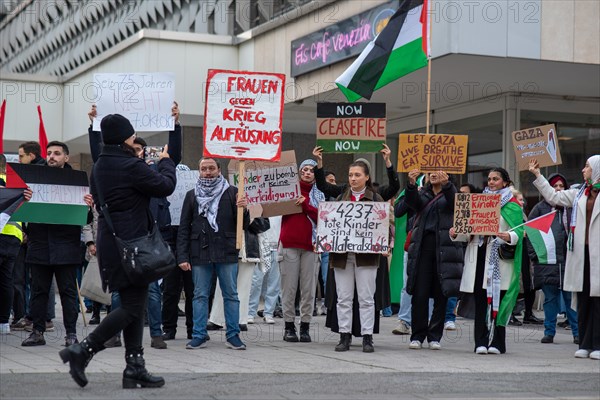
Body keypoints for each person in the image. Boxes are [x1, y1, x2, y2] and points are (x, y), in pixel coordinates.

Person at [59, 114, 176, 388]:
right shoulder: (131, 165)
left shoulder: (100, 166)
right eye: (132, 135)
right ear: (125, 137)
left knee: (134, 305)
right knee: (133, 306)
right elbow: (165, 186)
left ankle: (135, 367)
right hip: (134, 246)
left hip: (113, 244)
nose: (135, 139)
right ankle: (84, 349)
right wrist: (166, 162)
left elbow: (99, 202)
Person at [21, 141, 91, 348]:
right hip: (39, 243)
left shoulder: (78, 183)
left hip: (66, 245)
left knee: (69, 292)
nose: (52, 156)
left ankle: (71, 334)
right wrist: (23, 200)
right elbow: (22, 212)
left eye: (57, 153)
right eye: (49, 153)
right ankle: (37, 331)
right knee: (38, 291)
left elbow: (85, 219)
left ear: (66, 158)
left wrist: (87, 206)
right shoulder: (34, 180)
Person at [529, 156, 600, 359]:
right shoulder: (579, 193)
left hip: (598, 255)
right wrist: (537, 175)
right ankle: (585, 344)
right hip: (581, 254)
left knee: (597, 300)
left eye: (587, 166)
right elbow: (554, 197)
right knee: (583, 297)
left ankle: (597, 344)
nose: (583, 169)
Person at [177, 158, 249, 350]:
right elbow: (183, 228)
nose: (207, 172)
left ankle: (233, 335)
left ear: (219, 170)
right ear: (199, 171)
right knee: (199, 295)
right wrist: (182, 256)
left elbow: (245, 224)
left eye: (211, 168)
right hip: (199, 251)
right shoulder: (192, 196)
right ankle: (199, 334)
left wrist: (244, 208)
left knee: (231, 295)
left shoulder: (233, 193)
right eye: (203, 169)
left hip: (226, 250)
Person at [450, 167, 523, 355]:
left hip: (498, 259)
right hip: (479, 256)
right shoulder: (477, 202)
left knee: (497, 301)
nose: (491, 182)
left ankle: (498, 343)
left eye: (496, 179)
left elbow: (520, 232)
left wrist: (507, 236)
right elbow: (466, 232)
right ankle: (480, 342)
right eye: (489, 179)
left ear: (505, 182)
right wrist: (456, 232)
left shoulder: (512, 205)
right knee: (481, 301)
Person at [319, 160, 386, 352]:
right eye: (350, 175)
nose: (353, 179)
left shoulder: (375, 199)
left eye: (357, 175)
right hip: (342, 255)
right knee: (343, 298)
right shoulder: (340, 198)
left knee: (366, 298)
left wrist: (385, 244)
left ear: (366, 177)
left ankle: (367, 337)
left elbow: (387, 224)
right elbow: (329, 223)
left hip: (367, 256)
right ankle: (344, 335)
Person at [404, 170, 463, 350]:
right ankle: (417, 335)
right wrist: (411, 185)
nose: (434, 175)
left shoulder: (452, 193)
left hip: (445, 250)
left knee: (440, 293)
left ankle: (434, 335)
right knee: (420, 294)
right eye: (430, 172)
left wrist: (447, 186)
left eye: (438, 171)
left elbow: (456, 205)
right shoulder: (423, 193)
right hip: (423, 248)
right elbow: (412, 203)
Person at [527, 173, 579, 344]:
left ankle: (577, 332)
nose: (558, 189)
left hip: (568, 263)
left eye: (561, 186)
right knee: (550, 299)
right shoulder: (540, 209)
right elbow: (531, 235)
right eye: (554, 186)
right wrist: (535, 257)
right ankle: (549, 332)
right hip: (547, 264)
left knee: (570, 299)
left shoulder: (572, 208)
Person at [279, 158, 322, 343]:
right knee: (288, 288)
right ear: (298, 172)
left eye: (311, 170)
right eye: (304, 169)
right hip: (289, 244)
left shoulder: (320, 193)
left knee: (308, 289)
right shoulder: (287, 189)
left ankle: (305, 326)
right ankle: (289, 326)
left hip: (311, 245)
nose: (307, 172)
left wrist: (305, 205)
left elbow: (324, 217)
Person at [209, 216, 270, 330]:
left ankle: (241, 320)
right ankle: (216, 319)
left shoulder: (256, 202)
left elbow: (264, 225)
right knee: (222, 283)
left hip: (248, 248)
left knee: (244, 285)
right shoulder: (226, 198)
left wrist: (249, 217)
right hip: (227, 245)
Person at [0, 180, 31, 334]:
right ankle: (4, 322)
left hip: (2, 234)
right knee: (7, 280)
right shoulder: (13, 182)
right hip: (14, 237)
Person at [248, 216, 282, 324]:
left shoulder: (283, 206)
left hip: (277, 246)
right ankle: (250, 312)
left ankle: (269, 313)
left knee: (274, 282)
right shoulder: (262, 204)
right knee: (256, 281)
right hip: (261, 244)